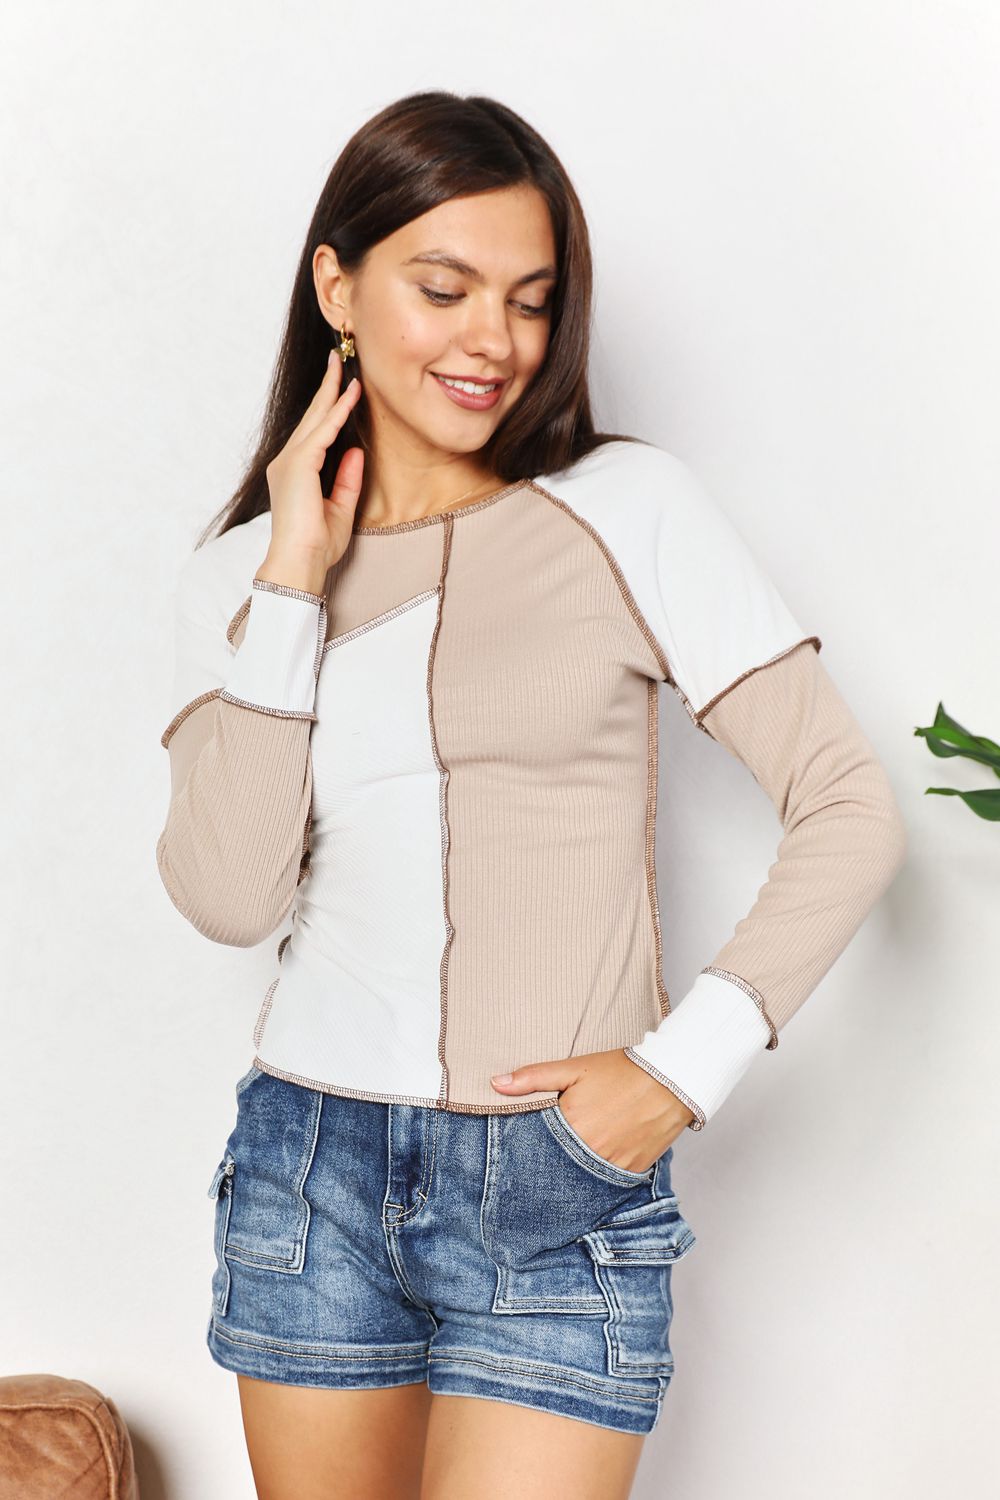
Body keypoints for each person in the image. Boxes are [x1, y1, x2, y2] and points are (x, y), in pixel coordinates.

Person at [156, 90, 907, 1500]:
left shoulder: (630, 508)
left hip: (557, 1182)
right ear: (339, 283)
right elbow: (227, 894)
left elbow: (848, 802)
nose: (493, 341)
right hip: (306, 1168)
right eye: (444, 289)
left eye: (530, 298)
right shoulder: (241, 581)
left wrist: (675, 1077)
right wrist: (293, 587)